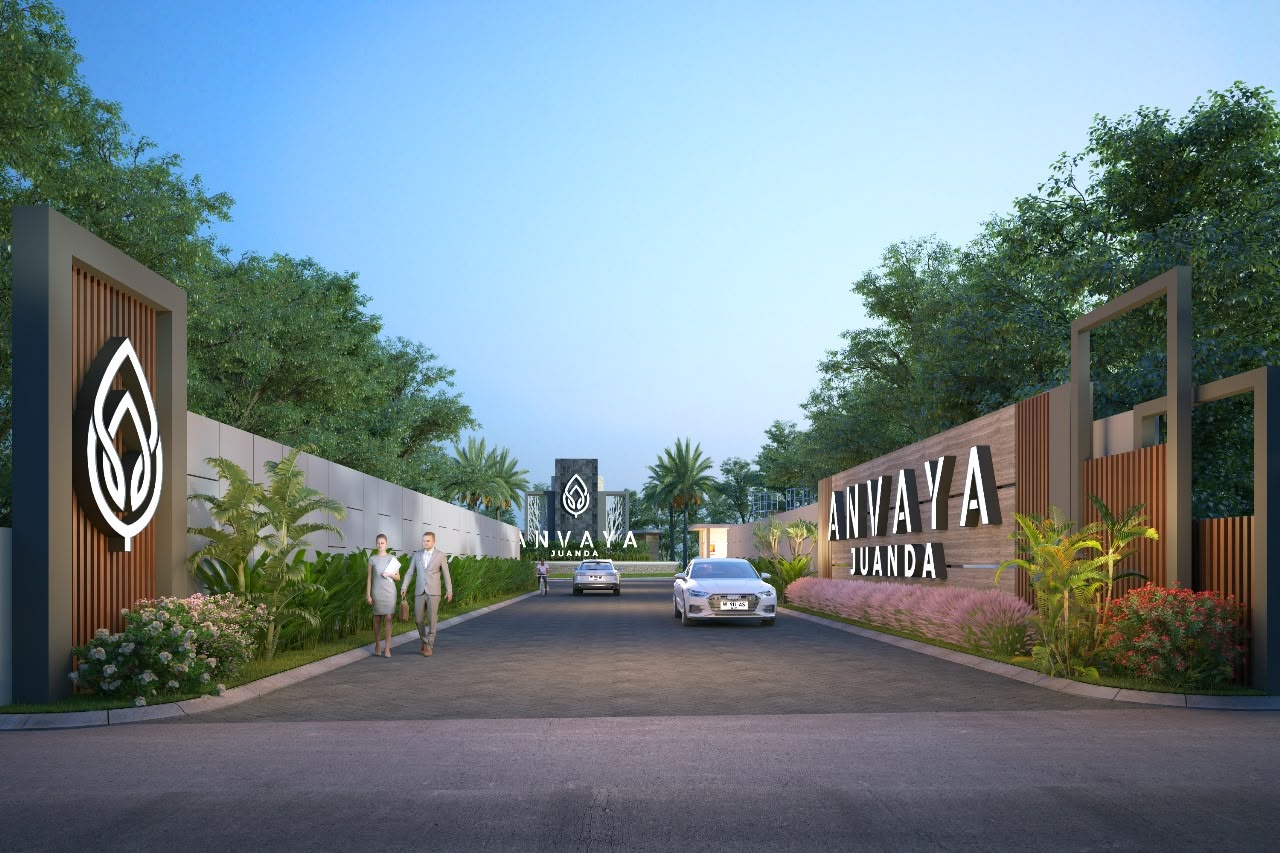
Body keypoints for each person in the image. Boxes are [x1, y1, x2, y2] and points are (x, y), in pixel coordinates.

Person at [400, 531, 453, 657]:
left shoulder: (440, 555)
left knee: (432, 619)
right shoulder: (417, 555)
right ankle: (425, 641)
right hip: (420, 591)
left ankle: (429, 646)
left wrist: (449, 591)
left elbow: (446, 575)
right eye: (424, 540)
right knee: (418, 620)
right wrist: (404, 586)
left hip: (434, 592)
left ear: (434, 541)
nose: (425, 543)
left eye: (428, 541)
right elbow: (409, 572)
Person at [366, 534, 400, 658]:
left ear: (386, 544)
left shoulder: (392, 558)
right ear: (376, 544)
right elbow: (369, 578)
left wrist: (389, 574)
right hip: (376, 592)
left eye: (382, 543)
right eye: (378, 543)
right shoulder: (372, 559)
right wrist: (368, 595)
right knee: (377, 619)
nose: (380, 545)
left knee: (389, 618)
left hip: (390, 592)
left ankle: (387, 648)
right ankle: (377, 645)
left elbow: (398, 577)